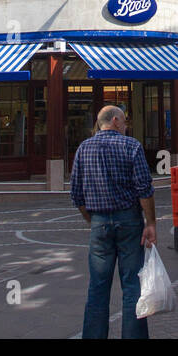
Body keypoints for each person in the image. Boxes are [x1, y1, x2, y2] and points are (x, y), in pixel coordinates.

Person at [70, 105, 157, 339]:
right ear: (116, 120)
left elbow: (76, 193)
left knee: (98, 287)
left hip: (99, 223)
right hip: (129, 220)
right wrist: (151, 222)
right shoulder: (131, 146)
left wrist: (92, 219)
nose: (126, 125)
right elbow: (144, 188)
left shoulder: (83, 149)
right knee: (132, 286)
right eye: (125, 121)